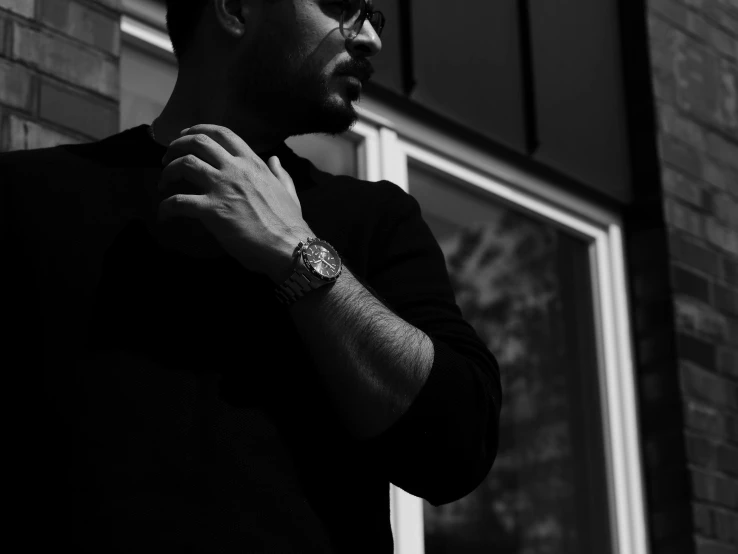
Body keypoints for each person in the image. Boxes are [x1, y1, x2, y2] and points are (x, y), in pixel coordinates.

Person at [2, 0, 501, 552]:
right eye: (340, 5)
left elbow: (456, 451)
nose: (370, 39)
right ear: (236, 8)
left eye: (373, 15)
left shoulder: (378, 221)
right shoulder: (27, 200)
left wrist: (298, 253)